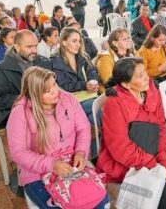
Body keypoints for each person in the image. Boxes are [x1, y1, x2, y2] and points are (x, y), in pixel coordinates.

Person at [7, 67, 110, 209]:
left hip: (72, 163)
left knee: (100, 201)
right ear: (35, 94)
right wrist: (51, 164)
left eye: (54, 84)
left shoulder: (67, 99)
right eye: (48, 90)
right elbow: (18, 153)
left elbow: (83, 128)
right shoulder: (20, 113)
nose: (56, 91)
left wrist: (81, 151)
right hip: (37, 173)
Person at [96, 57, 166, 209]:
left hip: (151, 153)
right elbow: (120, 148)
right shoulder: (115, 102)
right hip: (125, 163)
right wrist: (155, 166)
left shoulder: (151, 90)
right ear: (126, 84)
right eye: (140, 76)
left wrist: (163, 162)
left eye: (144, 71)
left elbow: (161, 129)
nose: (147, 77)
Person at [51, 27, 99, 158]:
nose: (78, 44)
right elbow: (63, 85)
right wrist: (85, 84)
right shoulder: (55, 62)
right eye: (74, 41)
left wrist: (93, 82)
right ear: (64, 42)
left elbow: (93, 73)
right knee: (100, 110)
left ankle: (94, 155)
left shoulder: (83, 58)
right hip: (71, 100)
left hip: (89, 96)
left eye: (79, 41)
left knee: (92, 119)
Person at [0, 29, 51, 128]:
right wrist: (29, 101)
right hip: (14, 114)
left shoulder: (43, 62)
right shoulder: (3, 68)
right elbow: (1, 99)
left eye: (36, 46)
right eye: (29, 47)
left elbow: (53, 86)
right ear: (17, 47)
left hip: (44, 109)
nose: (34, 50)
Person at [95, 28, 134, 93]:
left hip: (130, 88)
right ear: (115, 43)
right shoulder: (105, 58)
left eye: (129, 38)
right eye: (124, 39)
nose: (129, 40)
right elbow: (108, 82)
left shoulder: (131, 54)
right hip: (112, 92)